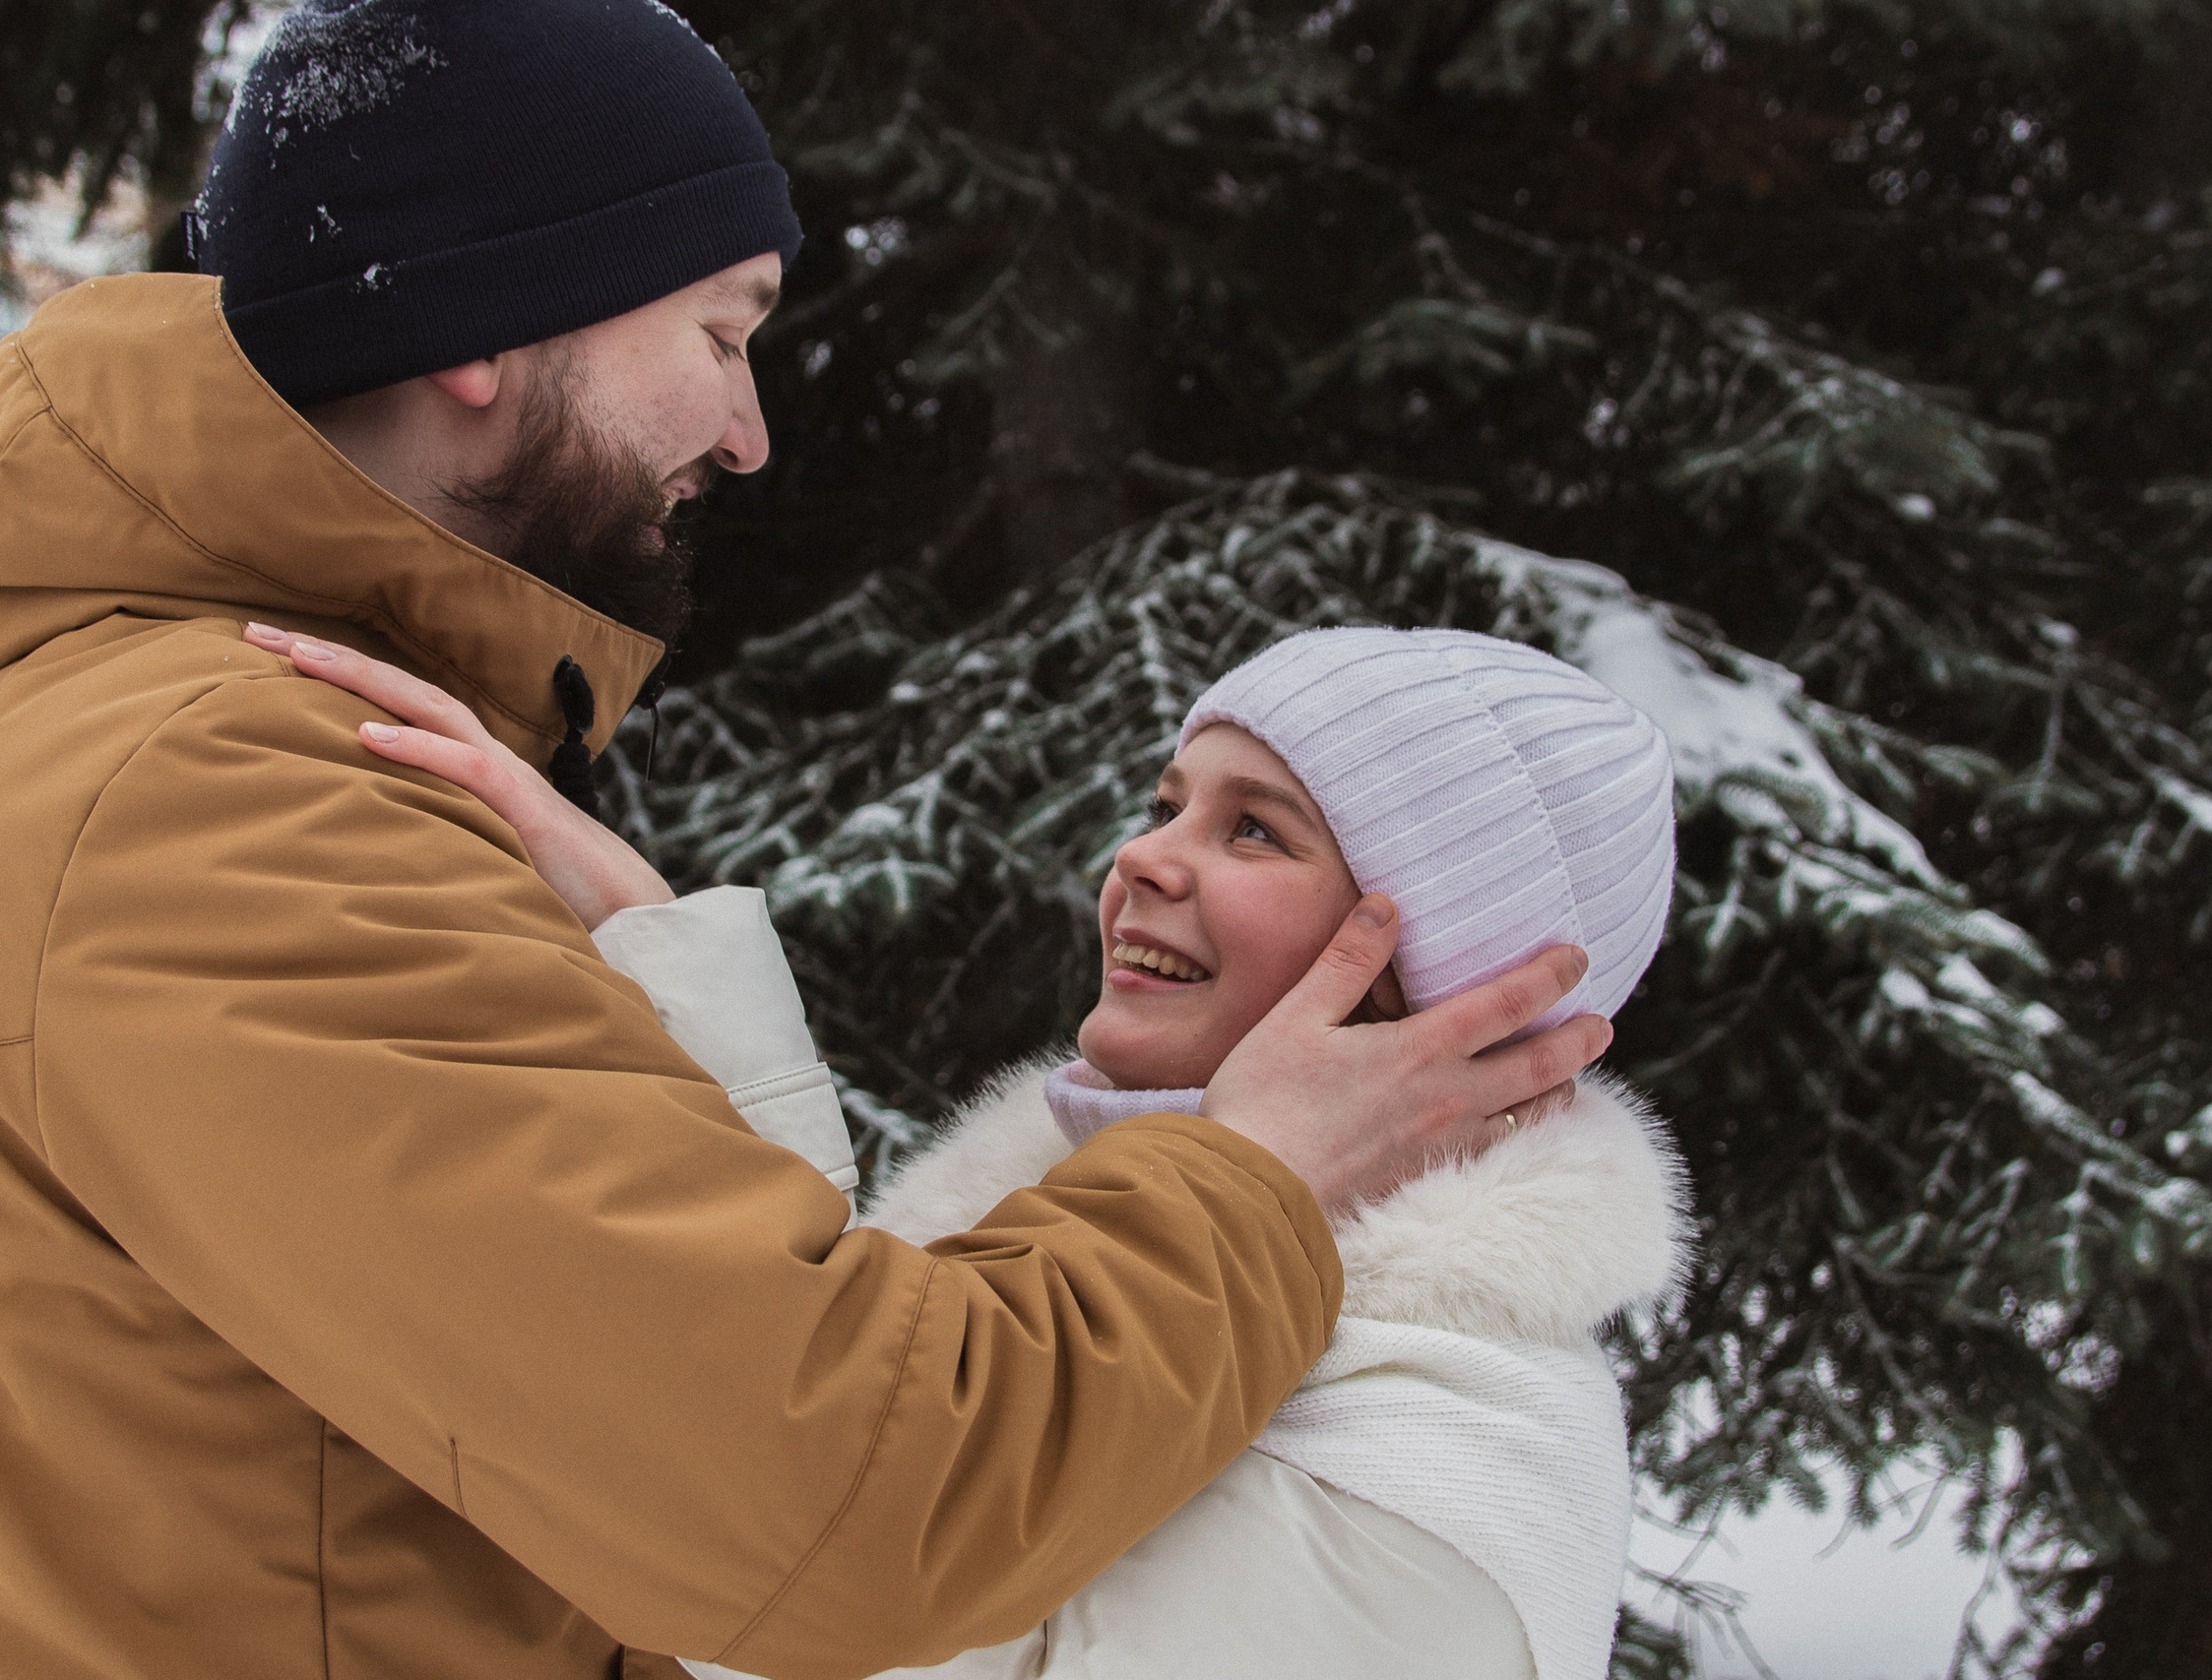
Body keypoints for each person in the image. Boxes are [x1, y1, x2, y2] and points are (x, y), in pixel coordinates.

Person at [0, 4, 1610, 1678]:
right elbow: (848, 1491)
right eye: (722, 334)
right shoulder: (224, 795)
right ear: (482, 324)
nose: (749, 435)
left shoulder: (184, 740)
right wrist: (1254, 1179)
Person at [265, 623, 1689, 1680]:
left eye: (1256, 830)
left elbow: (816, 1592)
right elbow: (838, 1417)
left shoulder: (1453, 1459)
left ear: (1442, 985)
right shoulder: (1100, 1230)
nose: (1141, 859)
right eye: (1166, 802)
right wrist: (647, 948)